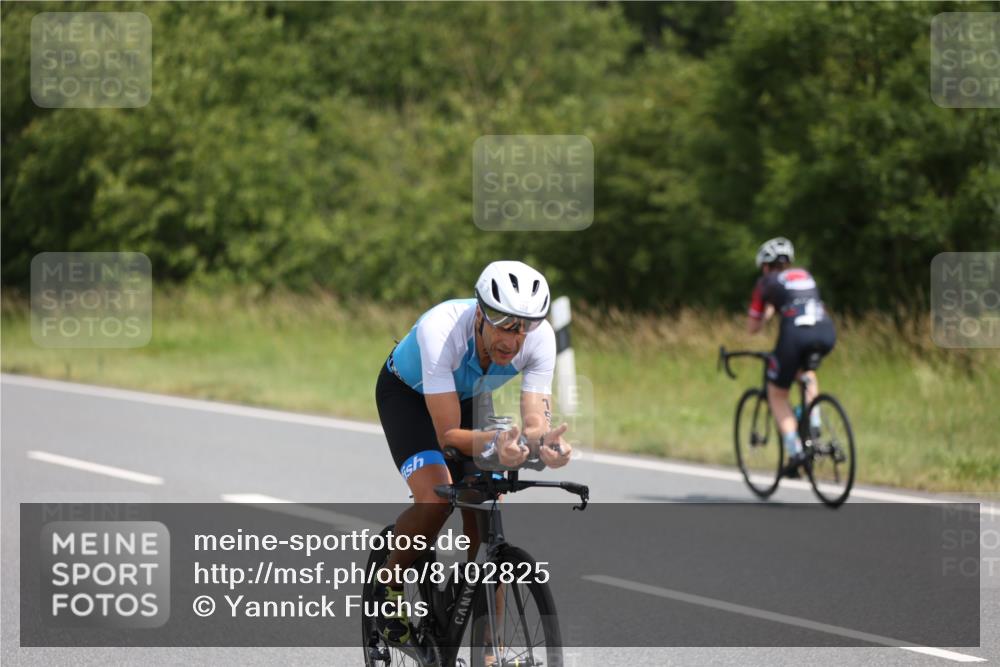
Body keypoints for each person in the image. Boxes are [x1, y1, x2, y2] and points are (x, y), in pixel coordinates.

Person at [373, 260, 572, 644]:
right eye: (503, 323)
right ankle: (389, 582)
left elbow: (534, 419)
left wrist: (543, 443)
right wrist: (496, 443)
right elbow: (448, 435)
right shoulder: (442, 329)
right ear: (480, 313)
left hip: (469, 398)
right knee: (435, 499)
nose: (513, 339)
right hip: (409, 397)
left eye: (523, 326)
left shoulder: (540, 338)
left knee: (485, 512)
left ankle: (489, 649)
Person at [746, 237, 836, 478]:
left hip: (795, 335)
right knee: (806, 373)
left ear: (766, 266)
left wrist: (766, 313)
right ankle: (814, 422)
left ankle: (795, 452)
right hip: (825, 331)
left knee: (777, 393)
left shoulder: (765, 282)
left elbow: (752, 327)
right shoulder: (804, 276)